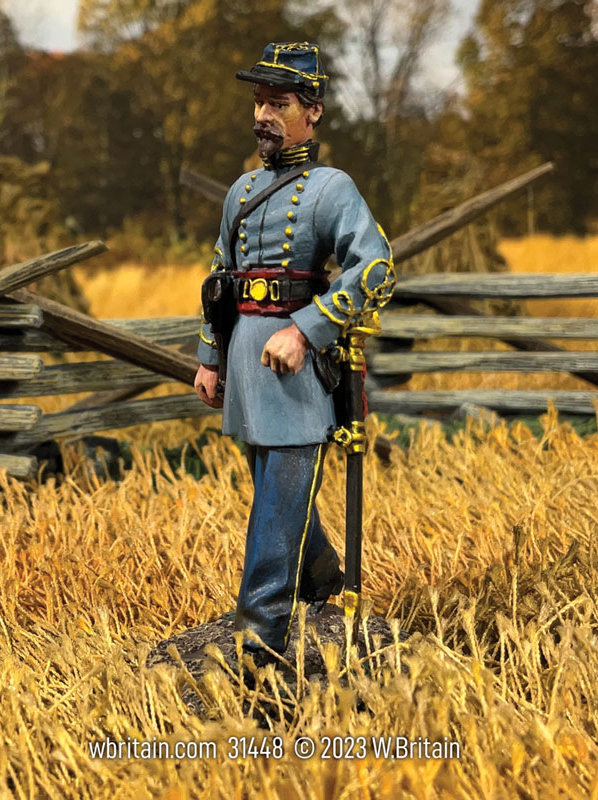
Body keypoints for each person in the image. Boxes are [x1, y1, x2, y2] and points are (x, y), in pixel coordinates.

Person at [194, 41, 394, 665]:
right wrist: (209, 355)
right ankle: (323, 583)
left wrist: (306, 329)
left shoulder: (331, 188)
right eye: (258, 101)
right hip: (247, 362)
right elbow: (221, 278)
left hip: (294, 366)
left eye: (279, 103)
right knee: (275, 492)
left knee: (278, 503)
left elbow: (377, 268)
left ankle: (260, 635)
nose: (264, 115)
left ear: (313, 113)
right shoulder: (241, 190)